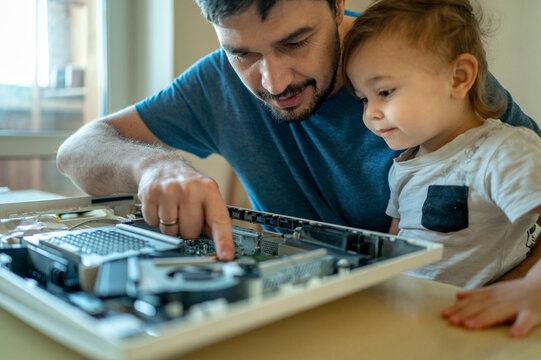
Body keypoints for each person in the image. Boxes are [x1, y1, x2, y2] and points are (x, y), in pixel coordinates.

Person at [56, 0, 539, 263]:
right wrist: (153, 165)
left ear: (337, 7)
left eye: (296, 42)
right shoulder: (216, 82)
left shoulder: (417, 67)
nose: (274, 82)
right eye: (242, 53)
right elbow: (77, 150)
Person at [342, 0, 541, 336]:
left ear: (458, 78)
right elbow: (394, 247)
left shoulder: (503, 152)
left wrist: (534, 291)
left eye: (384, 92)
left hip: (476, 327)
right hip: (412, 320)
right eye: (364, 98)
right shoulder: (404, 165)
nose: (370, 113)